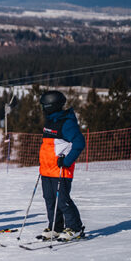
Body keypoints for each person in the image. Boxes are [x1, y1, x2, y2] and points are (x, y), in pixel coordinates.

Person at [39, 90, 86, 241]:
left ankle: (75, 228)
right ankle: (56, 227)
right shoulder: (49, 121)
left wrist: (66, 161)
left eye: (44, 105)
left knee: (63, 201)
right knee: (50, 200)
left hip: (60, 170)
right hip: (46, 170)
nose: (42, 108)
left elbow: (79, 143)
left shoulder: (67, 123)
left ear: (52, 105)